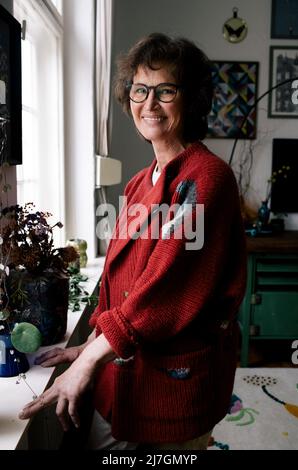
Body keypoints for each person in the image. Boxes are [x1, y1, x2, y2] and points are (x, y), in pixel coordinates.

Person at [19, 33, 247, 450]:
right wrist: (86, 347)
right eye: (140, 89)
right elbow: (121, 281)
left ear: (190, 99)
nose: (150, 103)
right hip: (122, 378)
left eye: (166, 90)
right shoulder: (143, 180)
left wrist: (88, 359)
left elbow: (164, 285)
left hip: (172, 389)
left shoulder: (207, 178)